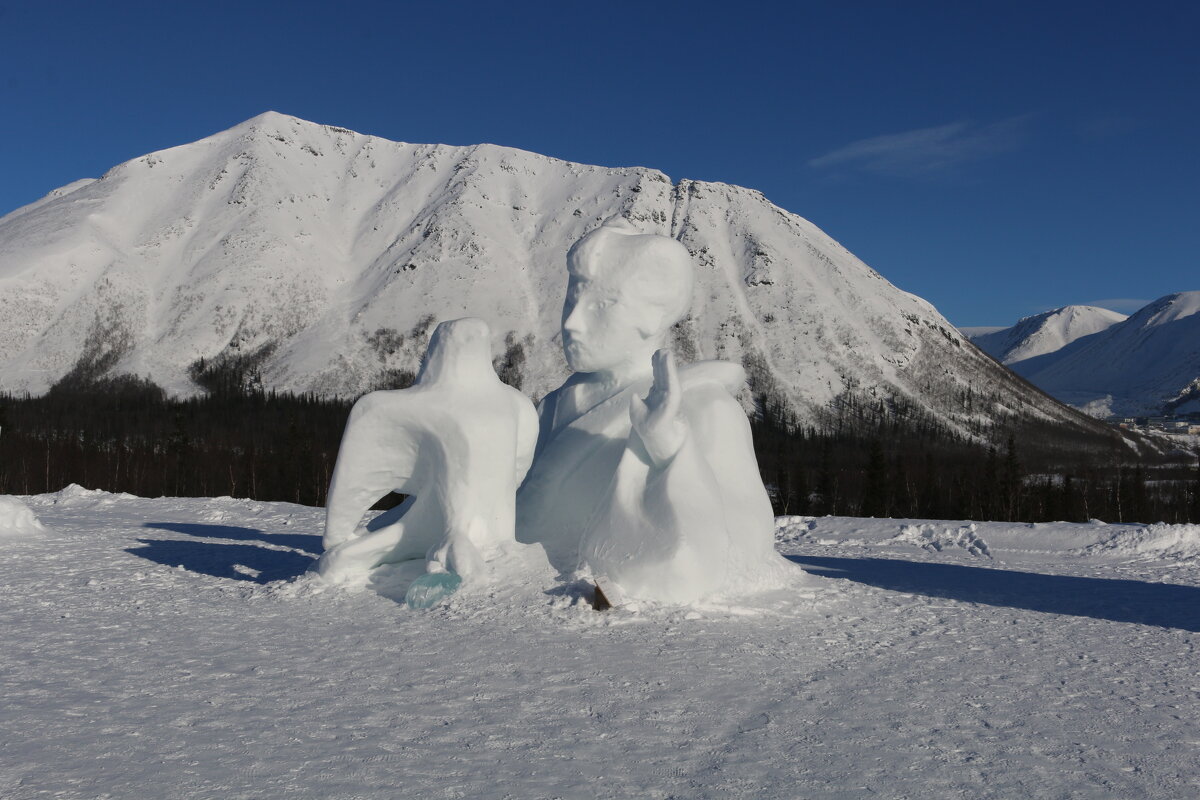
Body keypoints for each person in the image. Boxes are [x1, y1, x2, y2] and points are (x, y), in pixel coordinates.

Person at [516, 219, 795, 603]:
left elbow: (747, 545)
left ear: (654, 314)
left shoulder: (706, 408)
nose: (572, 322)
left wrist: (672, 454)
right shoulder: (549, 407)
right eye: (570, 300)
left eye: (600, 305)